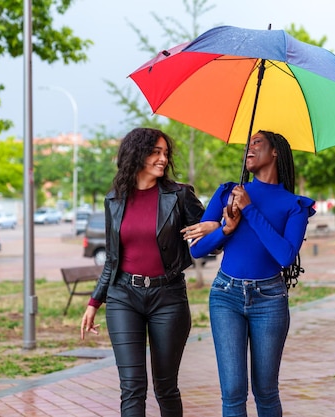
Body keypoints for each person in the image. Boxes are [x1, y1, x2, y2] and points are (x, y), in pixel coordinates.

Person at [80, 127, 217, 417]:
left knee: (165, 387)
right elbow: (112, 259)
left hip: (168, 297)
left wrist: (215, 227)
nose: (163, 159)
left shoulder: (179, 196)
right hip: (123, 297)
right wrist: (94, 302)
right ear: (137, 154)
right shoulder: (114, 199)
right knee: (131, 387)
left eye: (166, 153)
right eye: (156, 152)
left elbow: (210, 245)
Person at [187, 130, 315, 417]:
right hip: (225, 297)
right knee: (232, 392)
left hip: (269, 300)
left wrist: (250, 209)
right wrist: (226, 228)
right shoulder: (227, 192)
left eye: (257, 143)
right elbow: (196, 250)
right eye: (248, 144)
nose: (249, 148)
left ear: (275, 152)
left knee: (266, 391)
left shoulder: (294, 206)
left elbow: (284, 255)